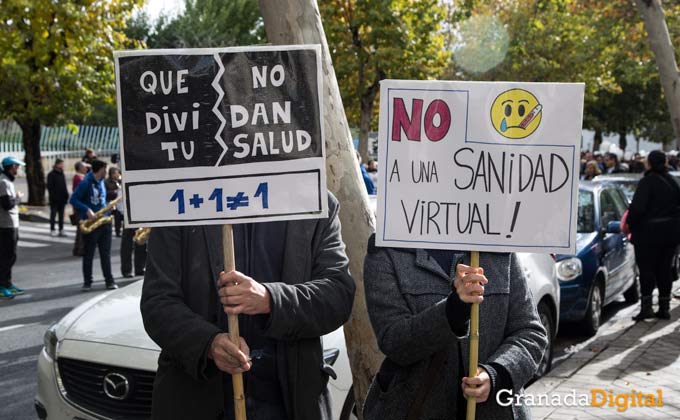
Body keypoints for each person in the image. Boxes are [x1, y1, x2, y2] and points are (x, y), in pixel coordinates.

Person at [140, 193, 355, 420]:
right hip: (198, 399)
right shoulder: (179, 199)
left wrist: (270, 299)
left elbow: (338, 295)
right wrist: (208, 344)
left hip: (289, 402)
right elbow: (157, 302)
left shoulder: (315, 198)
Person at [363, 236, 548, 419]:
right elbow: (394, 341)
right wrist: (453, 311)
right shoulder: (387, 251)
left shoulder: (497, 246)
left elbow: (530, 333)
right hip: (416, 408)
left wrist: (497, 375)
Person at [627, 150, 680, 320]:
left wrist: (631, 225)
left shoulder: (647, 182)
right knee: (665, 270)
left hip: (647, 236)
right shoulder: (673, 182)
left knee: (647, 271)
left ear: (649, 163)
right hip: (669, 235)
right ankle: (664, 308)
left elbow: (637, 209)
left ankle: (647, 308)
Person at [70, 159, 117, 291]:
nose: (107, 172)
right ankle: (87, 282)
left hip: (104, 221)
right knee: (89, 254)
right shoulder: (85, 182)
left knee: (105, 254)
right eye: (105, 169)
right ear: (100, 169)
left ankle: (109, 281)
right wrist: (87, 209)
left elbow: (101, 199)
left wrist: (108, 206)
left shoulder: (101, 182)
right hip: (91, 222)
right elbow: (73, 199)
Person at [0, 157, 26, 299]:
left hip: (11, 224)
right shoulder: (3, 182)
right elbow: (7, 204)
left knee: (11, 255)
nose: (18, 169)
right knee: (6, 256)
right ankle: (2, 285)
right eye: (17, 166)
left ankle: (8, 283)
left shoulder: (7, 181)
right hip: (5, 225)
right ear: (11, 167)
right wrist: (18, 198)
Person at [47, 159, 69, 237]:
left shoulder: (62, 174)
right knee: (53, 215)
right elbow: (50, 187)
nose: (63, 166)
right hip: (54, 199)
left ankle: (61, 229)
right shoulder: (51, 174)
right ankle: (52, 229)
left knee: (61, 215)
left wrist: (66, 195)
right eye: (61, 164)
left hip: (62, 198)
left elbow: (64, 186)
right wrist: (53, 197)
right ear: (57, 164)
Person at [71, 161, 90, 257]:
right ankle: (80, 249)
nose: (86, 168)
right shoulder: (78, 178)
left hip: (81, 207)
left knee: (80, 229)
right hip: (80, 208)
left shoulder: (82, 177)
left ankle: (78, 248)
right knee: (81, 229)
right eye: (84, 167)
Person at [104, 167, 122, 237]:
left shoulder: (119, 181)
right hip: (110, 202)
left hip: (119, 202)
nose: (116, 175)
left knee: (118, 217)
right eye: (114, 174)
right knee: (110, 217)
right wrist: (114, 192)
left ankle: (118, 231)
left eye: (117, 173)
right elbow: (105, 193)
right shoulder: (106, 182)